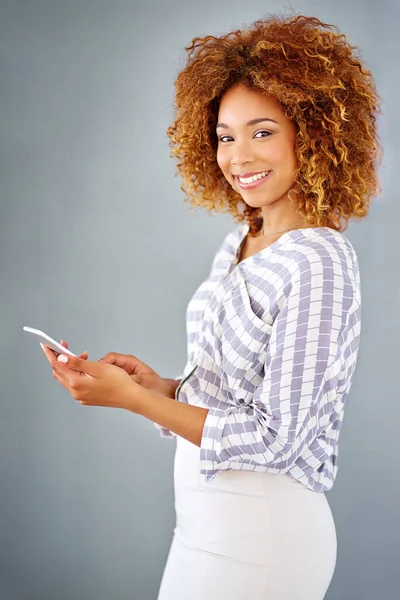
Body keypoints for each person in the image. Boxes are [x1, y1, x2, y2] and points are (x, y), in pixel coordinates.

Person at [41, 13, 382, 600]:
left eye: (262, 131)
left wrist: (136, 402)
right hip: (203, 527)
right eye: (225, 135)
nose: (238, 155)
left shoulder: (320, 262)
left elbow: (278, 440)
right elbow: (235, 398)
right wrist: (164, 388)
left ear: (316, 133)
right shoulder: (239, 242)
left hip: (263, 536)